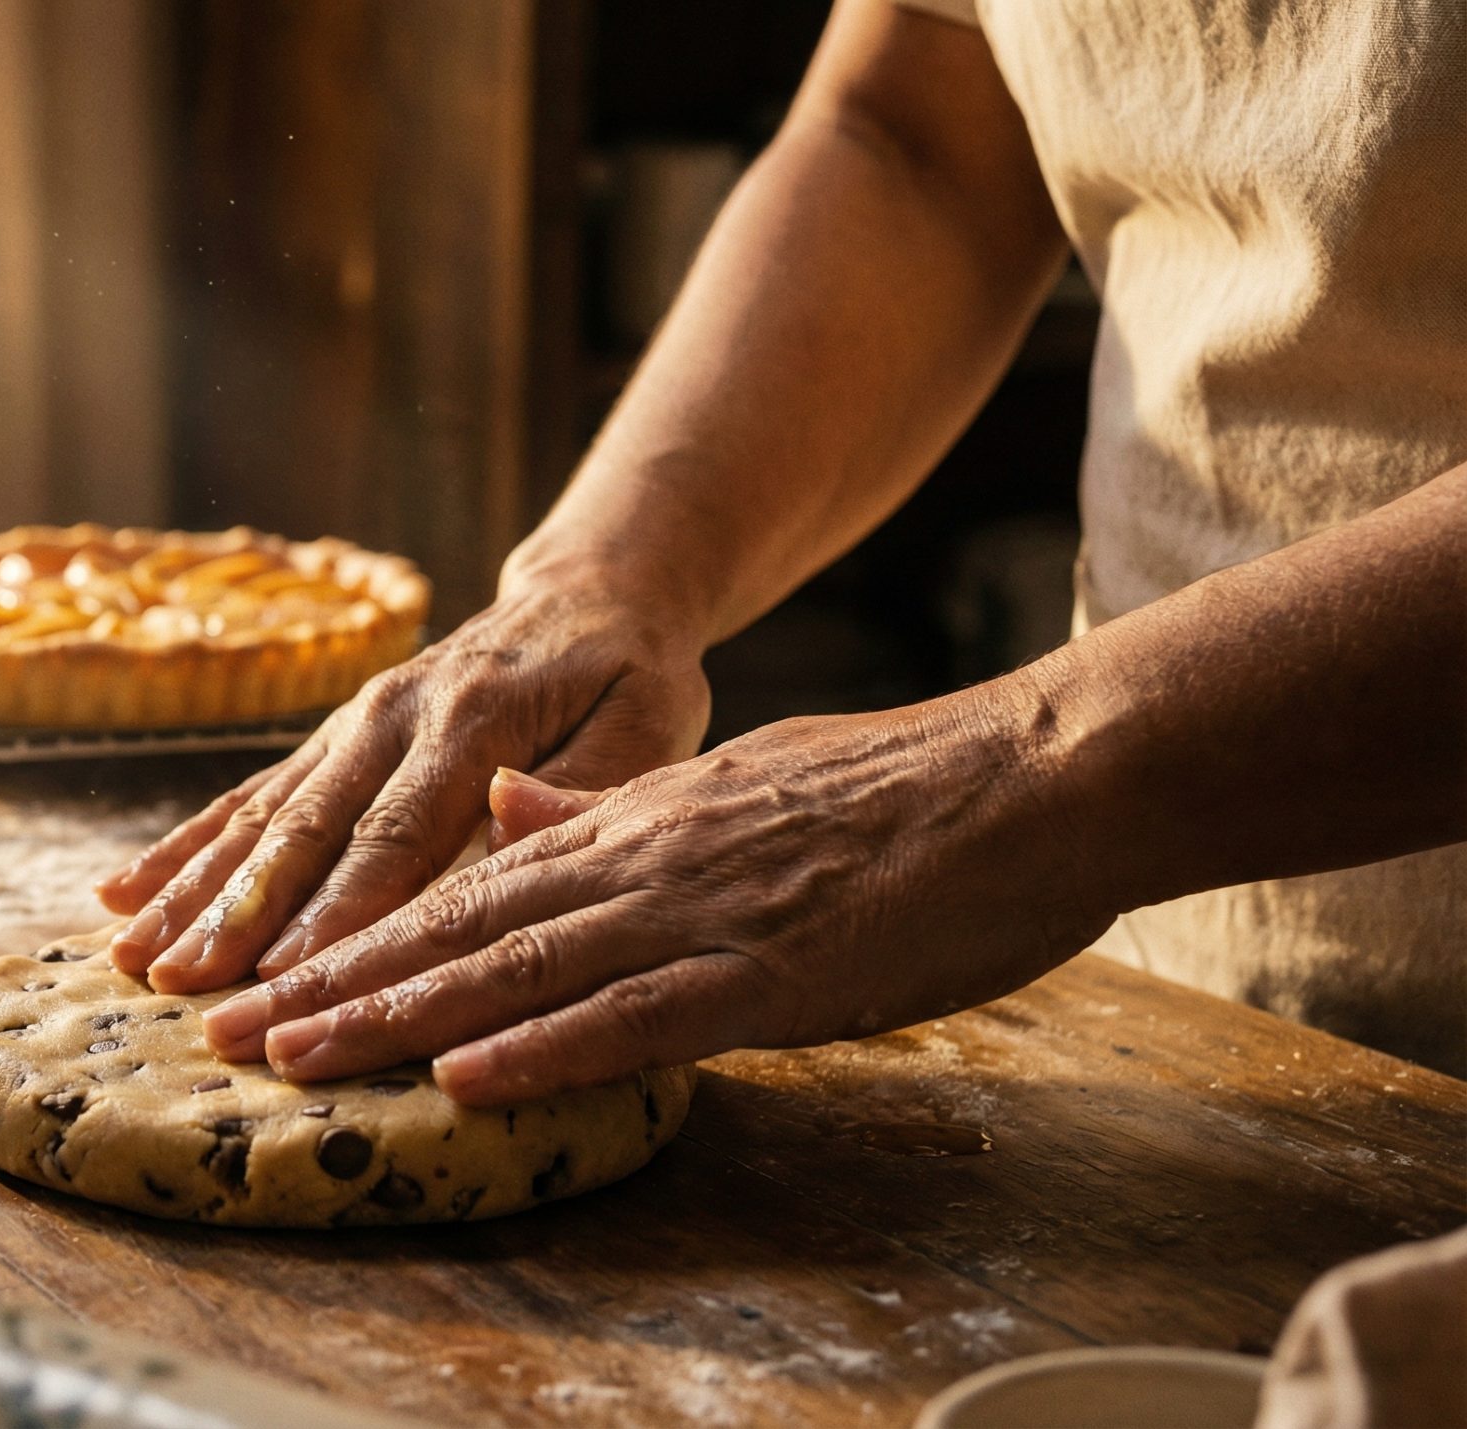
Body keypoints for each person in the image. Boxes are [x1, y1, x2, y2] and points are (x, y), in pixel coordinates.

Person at [95, 0, 1467, 1104]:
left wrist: (1022, 775)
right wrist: (610, 572)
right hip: (1193, 983)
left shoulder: (1058, 794)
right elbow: (917, 128)